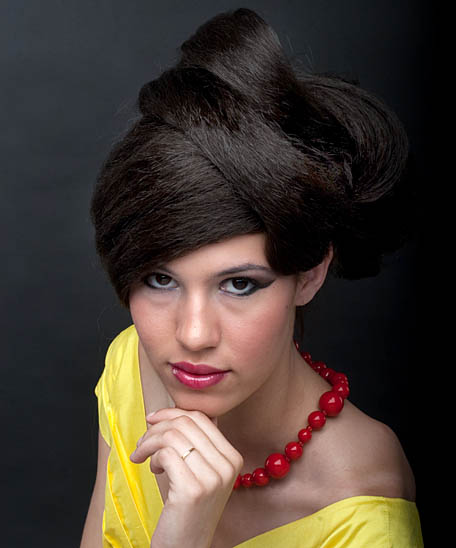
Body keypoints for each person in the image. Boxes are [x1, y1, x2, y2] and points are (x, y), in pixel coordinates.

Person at [80, 8, 423, 547]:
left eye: (238, 284)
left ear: (309, 274)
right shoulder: (134, 367)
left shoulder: (364, 510)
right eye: (160, 280)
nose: (193, 334)